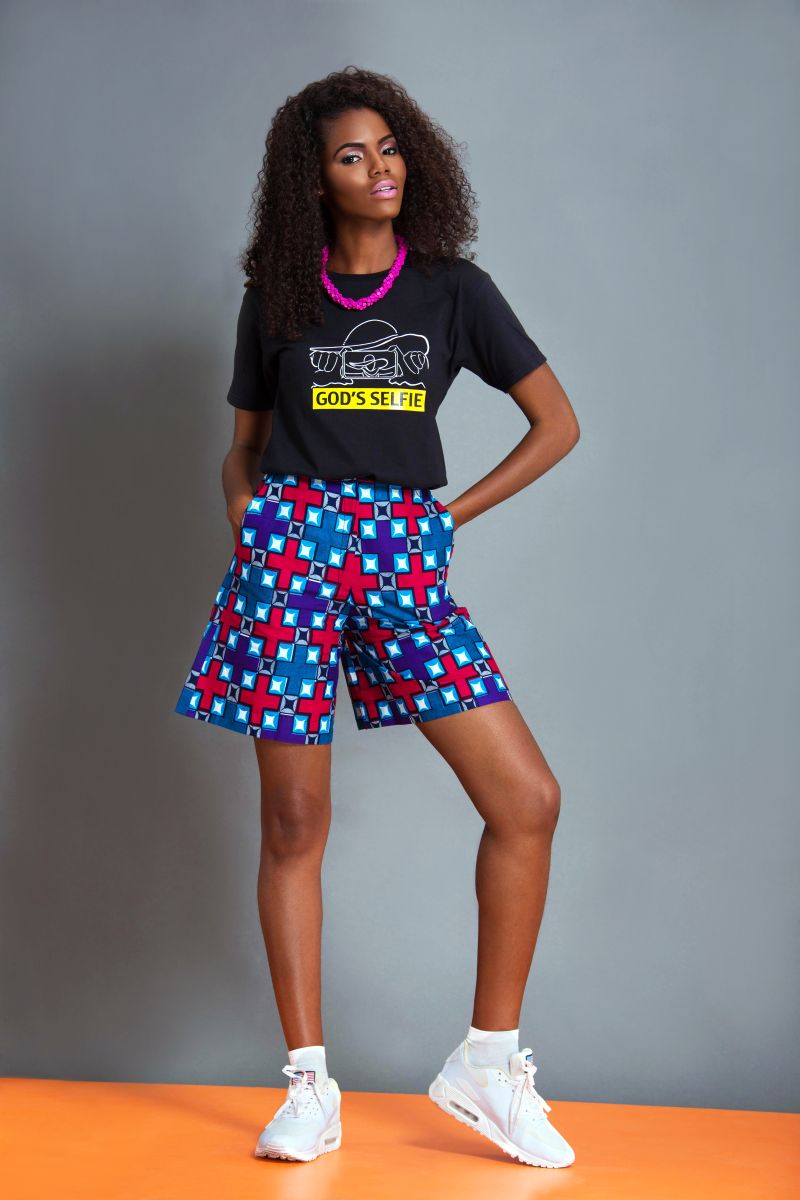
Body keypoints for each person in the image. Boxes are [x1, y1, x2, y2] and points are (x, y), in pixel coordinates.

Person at [174, 66, 580, 1169]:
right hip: (290, 554)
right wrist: (248, 519)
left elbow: (555, 423)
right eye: (352, 155)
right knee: (294, 822)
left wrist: (448, 516)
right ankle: (309, 1086)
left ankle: (487, 1065)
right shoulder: (278, 297)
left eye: (390, 148)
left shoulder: (453, 291)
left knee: (526, 800)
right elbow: (244, 447)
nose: (380, 168)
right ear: (314, 180)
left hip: (402, 550)